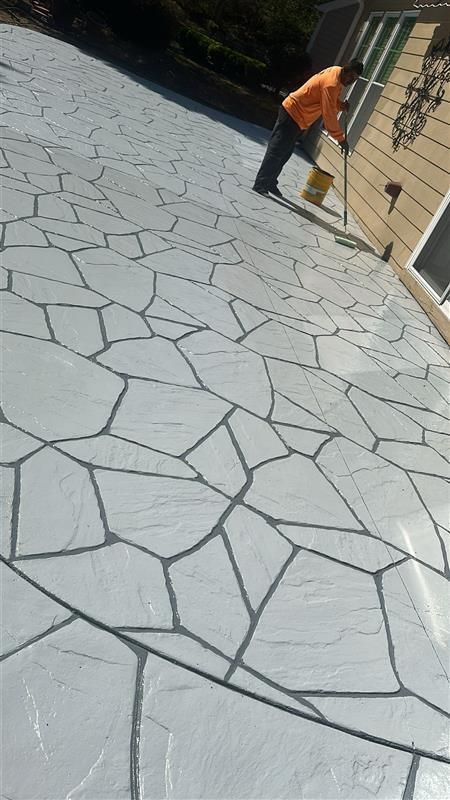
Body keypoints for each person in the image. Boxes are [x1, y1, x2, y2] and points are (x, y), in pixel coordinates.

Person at [253, 59, 364, 197]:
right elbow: (329, 114)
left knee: (285, 153)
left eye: (355, 79)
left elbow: (327, 98)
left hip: (300, 119)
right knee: (276, 150)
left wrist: (341, 106)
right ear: (346, 70)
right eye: (351, 77)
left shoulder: (336, 71)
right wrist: (341, 139)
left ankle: (269, 182)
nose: (351, 81)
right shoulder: (332, 83)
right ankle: (260, 184)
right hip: (292, 113)